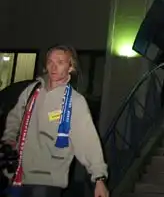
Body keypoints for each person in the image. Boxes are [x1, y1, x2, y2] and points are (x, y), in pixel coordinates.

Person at [2, 45, 108, 197]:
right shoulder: (32, 90)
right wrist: (9, 139)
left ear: (70, 67)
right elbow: (15, 118)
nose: (53, 67)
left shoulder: (75, 101)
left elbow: (87, 140)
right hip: (17, 176)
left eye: (60, 62)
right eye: (50, 61)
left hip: (47, 181)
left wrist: (99, 178)